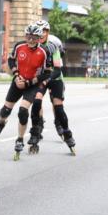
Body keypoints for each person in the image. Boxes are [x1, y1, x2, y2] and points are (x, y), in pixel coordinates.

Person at [0, 23, 51, 159]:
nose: (31, 40)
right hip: (18, 81)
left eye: (34, 38)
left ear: (40, 38)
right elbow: (11, 61)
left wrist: (29, 82)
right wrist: (17, 76)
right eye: (28, 37)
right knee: (5, 110)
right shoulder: (19, 46)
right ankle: (0, 124)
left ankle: (20, 139)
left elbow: (47, 73)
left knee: (23, 111)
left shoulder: (44, 51)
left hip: (32, 84)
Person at [34, 20, 76, 154]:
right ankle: (38, 126)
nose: (41, 34)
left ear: (48, 32)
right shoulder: (32, 46)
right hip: (41, 78)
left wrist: (48, 79)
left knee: (58, 106)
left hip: (55, 77)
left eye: (44, 31)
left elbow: (57, 68)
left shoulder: (54, 46)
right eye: (39, 31)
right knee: (36, 101)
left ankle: (65, 129)